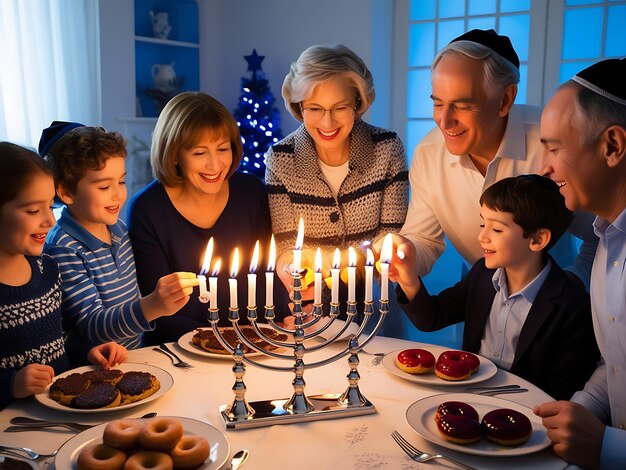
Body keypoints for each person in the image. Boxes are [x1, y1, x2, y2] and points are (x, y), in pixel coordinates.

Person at [394, 29, 597, 290]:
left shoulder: (554, 143)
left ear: (505, 99)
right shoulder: (428, 153)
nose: (444, 121)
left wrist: (573, 282)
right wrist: (405, 253)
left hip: (555, 308)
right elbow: (423, 240)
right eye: (437, 103)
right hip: (477, 303)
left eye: (463, 105)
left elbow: (604, 233)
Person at [392, 174, 598, 400]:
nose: (482, 236)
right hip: (469, 399)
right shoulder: (482, 274)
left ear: (538, 240)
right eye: (483, 224)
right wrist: (409, 277)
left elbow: (564, 387)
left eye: (497, 230)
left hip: (526, 414)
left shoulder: (571, 303)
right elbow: (432, 318)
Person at [127, 92, 289, 344]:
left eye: (222, 149)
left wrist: (282, 323)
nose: (215, 165)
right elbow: (162, 316)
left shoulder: (251, 192)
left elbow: (270, 281)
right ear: (174, 154)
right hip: (178, 351)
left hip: (253, 344)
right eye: (199, 153)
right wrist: (226, 339)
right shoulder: (147, 209)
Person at [265, 44, 408, 318]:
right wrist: (288, 270)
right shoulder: (281, 158)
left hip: (373, 306)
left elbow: (390, 237)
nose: (327, 122)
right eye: (315, 108)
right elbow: (286, 245)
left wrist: (331, 264)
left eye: (339, 107)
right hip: (310, 305)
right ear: (299, 106)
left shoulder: (386, 148)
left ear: (357, 103)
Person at [534, 58, 626, 468]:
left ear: (612, 146)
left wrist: (607, 447)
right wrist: (582, 409)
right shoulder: (605, 242)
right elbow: (616, 362)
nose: (543, 168)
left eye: (554, 148)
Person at [40, 123, 198, 351]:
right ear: (66, 192)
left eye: (121, 181)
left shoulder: (119, 230)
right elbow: (92, 326)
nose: (118, 194)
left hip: (134, 356)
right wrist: (151, 306)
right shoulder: (63, 248)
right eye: (104, 186)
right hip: (97, 367)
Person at [0, 142, 128, 410]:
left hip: (62, 410)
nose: (48, 220)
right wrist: (10, 383)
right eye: (33, 211)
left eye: (49, 206)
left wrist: (87, 350)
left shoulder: (46, 269)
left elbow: (57, 336)